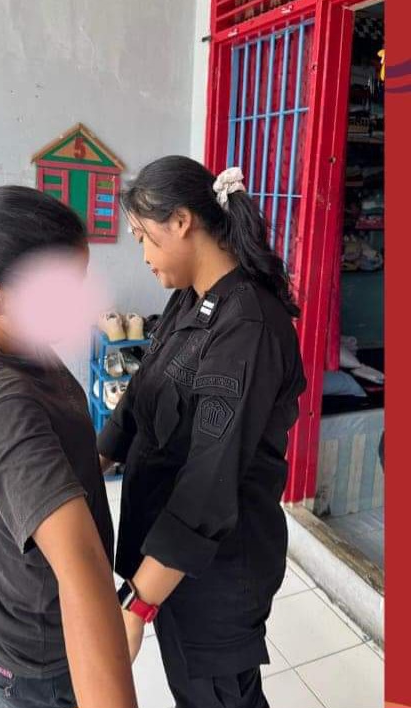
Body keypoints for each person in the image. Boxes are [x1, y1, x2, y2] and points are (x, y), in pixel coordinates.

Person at [0, 185, 137, 708]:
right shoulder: (0, 401)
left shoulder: (16, 342)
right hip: (41, 660)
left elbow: (51, 458)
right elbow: (79, 569)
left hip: (29, 624)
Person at [99, 156, 307, 708]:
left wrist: (138, 605)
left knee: (216, 697)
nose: (143, 256)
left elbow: (209, 483)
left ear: (182, 221)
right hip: (171, 560)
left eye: (144, 238)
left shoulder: (248, 327)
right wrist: (90, 462)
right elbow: (142, 393)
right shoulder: (190, 298)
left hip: (218, 571)